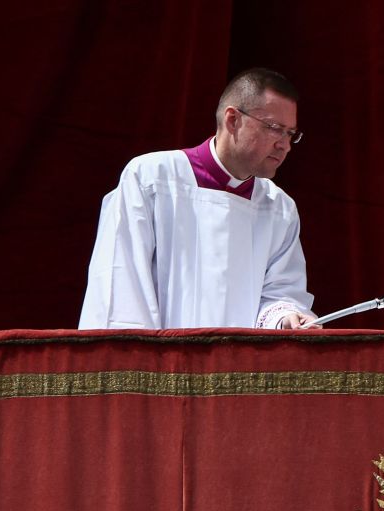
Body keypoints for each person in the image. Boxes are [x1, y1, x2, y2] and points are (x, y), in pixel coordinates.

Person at [79, 68, 316, 330]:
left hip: (241, 367)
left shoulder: (279, 208)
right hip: (161, 364)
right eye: (274, 128)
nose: (285, 144)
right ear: (232, 120)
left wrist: (285, 318)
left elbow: (280, 293)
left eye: (290, 133)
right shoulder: (152, 179)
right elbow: (121, 284)